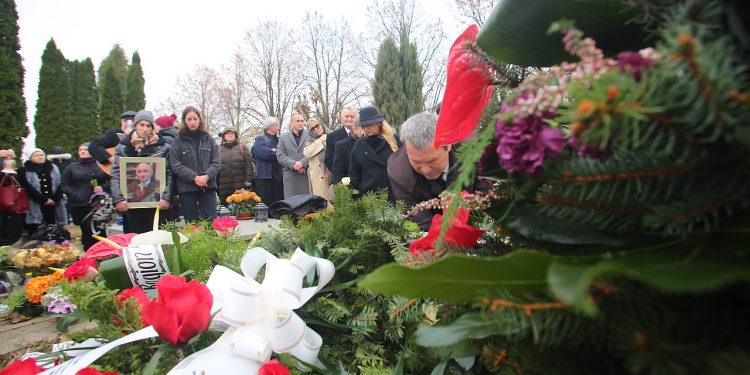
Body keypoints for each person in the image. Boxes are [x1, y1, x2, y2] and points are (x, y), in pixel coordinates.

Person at [387, 112, 485, 231]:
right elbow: (418, 216)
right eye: (416, 162)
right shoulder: (398, 170)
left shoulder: (475, 151)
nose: (426, 170)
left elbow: (489, 199)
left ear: (448, 145)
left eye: (432, 160)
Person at [111, 110, 172, 234]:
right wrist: (118, 199)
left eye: (148, 125)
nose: (145, 129)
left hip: (157, 205)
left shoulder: (164, 147)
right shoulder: (122, 148)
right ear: (135, 126)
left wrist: (166, 197)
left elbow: (169, 174)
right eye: (141, 125)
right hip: (132, 206)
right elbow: (116, 174)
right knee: (135, 240)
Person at [169, 106, 221, 222]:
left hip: (208, 187)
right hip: (187, 188)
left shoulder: (208, 139)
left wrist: (206, 176)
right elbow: (175, 164)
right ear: (184, 121)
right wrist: (194, 177)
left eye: (195, 119)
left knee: (211, 223)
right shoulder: (178, 141)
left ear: (199, 119)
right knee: (192, 225)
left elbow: (216, 162)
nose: (193, 122)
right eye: (189, 119)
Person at [61, 143, 109, 250]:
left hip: (99, 203)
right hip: (81, 203)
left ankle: (103, 252)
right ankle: (89, 254)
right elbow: (64, 184)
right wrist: (74, 194)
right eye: (80, 150)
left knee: (100, 230)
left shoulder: (101, 164)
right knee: (87, 232)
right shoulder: (72, 167)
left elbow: (112, 180)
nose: (82, 151)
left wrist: (103, 188)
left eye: (85, 149)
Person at [348, 105, 400, 200]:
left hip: (394, 196)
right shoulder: (358, 147)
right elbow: (354, 175)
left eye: (369, 124)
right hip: (369, 200)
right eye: (363, 125)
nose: (366, 128)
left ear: (379, 123)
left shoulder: (394, 140)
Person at [17, 148, 67, 234]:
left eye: (41, 155)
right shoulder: (23, 170)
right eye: (36, 156)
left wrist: (55, 199)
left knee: (53, 228)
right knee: (36, 230)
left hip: (53, 202)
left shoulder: (53, 168)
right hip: (35, 202)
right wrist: (44, 200)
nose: (40, 157)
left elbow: (60, 183)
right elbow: (27, 187)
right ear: (30, 157)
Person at [276, 113, 310, 198]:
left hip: (307, 175)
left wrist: (302, 163)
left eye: (302, 121)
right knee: (291, 205)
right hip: (290, 176)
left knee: (308, 203)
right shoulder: (283, 137)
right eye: (298, 121)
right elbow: (280, 155)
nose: (300, 123)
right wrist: (294, 164)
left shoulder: (310, 135)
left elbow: (313, 153)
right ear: (291, 122)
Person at [252, 116, 284, 206]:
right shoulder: (260, 139)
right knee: (265, 204)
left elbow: (284, 153)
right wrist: (275, 152)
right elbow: (265, 154)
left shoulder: (279, 140)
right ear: (270, 126)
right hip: (265, 177)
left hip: (278, 176)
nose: (279, 127)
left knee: (279, 203)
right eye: (277, 125)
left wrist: (275, 150)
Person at [218, 127, 254, 205]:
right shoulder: (218, 149)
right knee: (225, 213)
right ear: (224, 136)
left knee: (242, 211)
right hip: (224, 188)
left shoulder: (242, 147)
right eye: (228, 134)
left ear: (235, 135)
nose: (230, 135)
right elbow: (216, 167)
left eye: (232, 133)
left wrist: (248, 180)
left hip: (241, 187)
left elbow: (249, 165)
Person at [324, 107, 357, 176]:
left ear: (357, 119)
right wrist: (340, 175)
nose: (349, 119)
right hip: (343, 179)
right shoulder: (332, 137)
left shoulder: (363, 135)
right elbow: (329, 159)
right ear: (341, 119)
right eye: (347, 116)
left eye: (352, 117)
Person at [302, 117, 330, 200]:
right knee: (322, 205)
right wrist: (321, 140)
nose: (316, 129)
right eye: (312, 128)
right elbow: (307, 153)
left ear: (321, 124)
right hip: (320, 179)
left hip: (333, 174)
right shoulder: (309, 141)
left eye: (317, 126)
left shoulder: (332, 135)